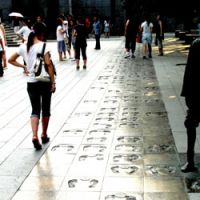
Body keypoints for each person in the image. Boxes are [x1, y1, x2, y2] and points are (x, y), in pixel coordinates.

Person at [8, 22, 56, 150]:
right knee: (46, 109)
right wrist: (53, 82)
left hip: (31, 83)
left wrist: (24, 66)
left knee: (35, 110)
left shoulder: (23, 46)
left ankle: (34, 136)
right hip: (44, 82)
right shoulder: (43, 46)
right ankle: (44, 134)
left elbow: (10, 60)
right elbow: (49, 65)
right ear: (41, 33)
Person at [180, 37, 200, 173]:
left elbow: (189, 71)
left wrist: (187, 93)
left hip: (196, 94)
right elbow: (190, 70)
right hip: (196, 94)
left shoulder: (196, 44)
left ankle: (190, 161)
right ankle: (190, 161)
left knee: (190, 125)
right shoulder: (197, 44)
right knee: (190, 125)